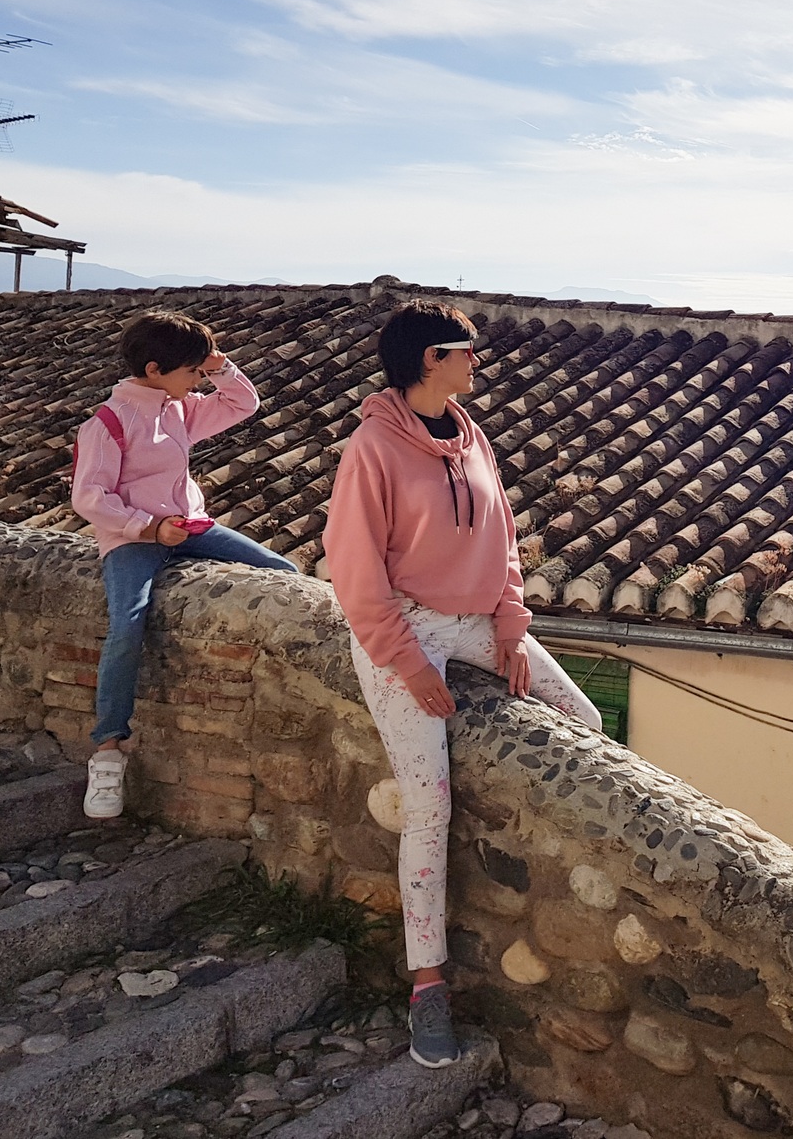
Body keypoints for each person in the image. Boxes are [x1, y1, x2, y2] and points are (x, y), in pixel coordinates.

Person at [323, 300, 601, 1069]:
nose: (476, 361)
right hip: (401, 633)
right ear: (428, 360)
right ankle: (428, 986)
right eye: (464, 350)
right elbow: (354, 570)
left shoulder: (468, 433)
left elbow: (501, 538)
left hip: (474, 620)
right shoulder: (372, 450)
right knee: (428, 804)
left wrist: (511, 626)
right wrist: (407, 664)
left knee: (584, 723)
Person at [71, 310, 297, 818]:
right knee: (128, 623)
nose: (198, 381)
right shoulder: (107, 424)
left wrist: (218, 365)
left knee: (283, 574)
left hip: (191, 526)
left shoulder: (179, 409)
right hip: (133, 539)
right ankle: (108, 748)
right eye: (191, 371)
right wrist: (147, 529)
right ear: (155, 370)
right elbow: (89, 498)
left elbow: (243, 402)